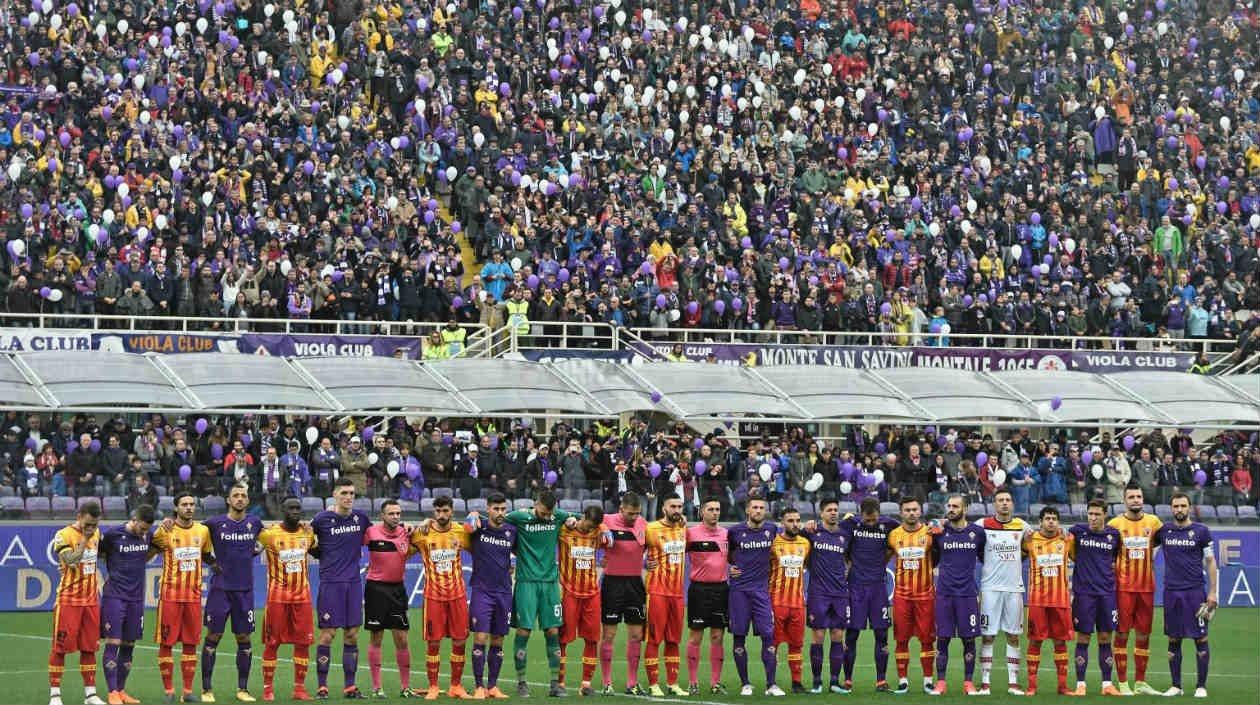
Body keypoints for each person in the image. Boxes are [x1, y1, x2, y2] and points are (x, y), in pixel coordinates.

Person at [495, 490, 575, 697]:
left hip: (549, 584)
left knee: (553, 632)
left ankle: (555, 684)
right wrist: (477, 516)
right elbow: (495, 521)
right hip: (526, 583)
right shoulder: (520, 516)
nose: (548, 516)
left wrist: (574, 519)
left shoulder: (558, 516)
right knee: (523, 632)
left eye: (550, 513)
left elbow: (580, 518)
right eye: (544, 512)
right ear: (535, 504)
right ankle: (521, 682)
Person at [310, 478, 372, 699]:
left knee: (352, 635)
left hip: (354, 583)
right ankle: (322, 686)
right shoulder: (322, 519)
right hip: (331, 584)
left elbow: (380, 535)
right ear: (335, 495)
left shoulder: (361, 519)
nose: (348, 497)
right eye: (344, 492)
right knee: (328, 635)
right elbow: (307, 539)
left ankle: (350, 687)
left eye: (352, 493)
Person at [202, 483, 264, 702]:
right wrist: (211, 560)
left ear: (247, 501)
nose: (239, 499)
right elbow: (193, 537)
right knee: (213, 636)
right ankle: (207, 690)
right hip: (220, 589)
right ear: (228, 500)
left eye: (243, 496)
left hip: (244, 590)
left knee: (244, 637)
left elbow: (264, 544)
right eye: (235, 495)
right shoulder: (214, 523)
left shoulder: (255, 523)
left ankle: (243, 690)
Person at [152, 492, 214, 703]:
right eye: (184, 504)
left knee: (190, 643)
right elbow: (149, 552)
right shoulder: (165, 530)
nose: (189, 507)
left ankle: (187, 692)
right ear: (176, 508)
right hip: (170, 595)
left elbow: (206, 555)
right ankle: (168, 691)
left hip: (193, 597)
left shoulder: (203, 531)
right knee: (166, 644)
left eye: (191, 504)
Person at [1155, 492, 1219, 698]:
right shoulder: (1164, 531)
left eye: (1183, 506)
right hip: (1171, 592)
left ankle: (1201, 686)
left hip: (1195, 593)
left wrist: (1213, 592)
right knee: (1173, 638)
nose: (1179, 509)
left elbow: (1210, 562)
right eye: (1176, 506)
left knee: (1200, 638)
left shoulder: (1201, 532)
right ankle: (1176, 685)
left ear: (1189, 507)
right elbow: (1146, 549)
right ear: (1171, 508)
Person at [410, 495, 473, 699]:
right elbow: (403, 547)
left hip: (458, 595)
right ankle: (434, 686)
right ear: (433, 512)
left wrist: (474, 516)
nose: (442, 515)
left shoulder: (461, 531)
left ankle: (456, 685)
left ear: (452, 511)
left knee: (460, 640)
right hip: (433, 596)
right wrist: (415, 525)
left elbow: (480, 546)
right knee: (434, 642)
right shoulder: (422, 533)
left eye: (445, 511)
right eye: (438, 511)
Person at [257, 497, 317, 702]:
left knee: (303, 643)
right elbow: (249, 548)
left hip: (303, 598)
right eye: (290, 508)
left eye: (298, 508)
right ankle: (267, 689)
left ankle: (299, 689)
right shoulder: (269, 535)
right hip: (277, 598)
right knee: (272, 643)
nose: (295, 511)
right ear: (282, 510)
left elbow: (321, 551)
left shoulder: (307, 534)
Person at [1107, 484, 1164, 695]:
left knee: (1144, 634)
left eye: (1139, 496)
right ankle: (1122, 682)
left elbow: (1161, 543)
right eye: (1131, 497)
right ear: (1124, 500)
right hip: (1123, 589)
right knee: (1122, 634)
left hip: (1147, 588)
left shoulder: (1154, 522)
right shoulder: (1114, 525)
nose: (1136, 500)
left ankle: (1140, 682)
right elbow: (1108, 557)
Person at [48, 501, 106, 705]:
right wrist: (85, 539)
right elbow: (71, 561)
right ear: (79, 516)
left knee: (89, 648)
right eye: (88, 524)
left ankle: (90, 694)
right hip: (68, 601)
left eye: (95, 525)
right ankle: (55, 695)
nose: (92, 528)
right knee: (60, 648)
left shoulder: (97, 533)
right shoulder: (63, 535)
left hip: (91, 601)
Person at [839, 497, 899, 691]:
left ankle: (881, 680)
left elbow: (902, 536)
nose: (872, 523)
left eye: (874, 520)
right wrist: (849, 563)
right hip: (855, 587)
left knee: (882, 634)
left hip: (878, 588)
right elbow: (835, 538)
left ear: (879, 514)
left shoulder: (889, 524)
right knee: (852, 634)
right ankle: (847, 680)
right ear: (860, 513)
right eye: (868, 520)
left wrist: (885, 559)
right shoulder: (850, 524)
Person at [99, 504, 155, 705]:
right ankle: (112, 691)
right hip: (115, 596)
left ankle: (122, 690)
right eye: (142, 528)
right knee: (113, 642)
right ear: (134, 519)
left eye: (147, 529)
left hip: (137, 598)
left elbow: (148, 553)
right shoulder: (113, 535)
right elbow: (100, 554)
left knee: (129, 645)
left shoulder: (147, 536)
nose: (144, 532)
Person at [727, 494, 782, 696]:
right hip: (739, 592)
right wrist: (730, 567)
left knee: (768, 636)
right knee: (739, 636)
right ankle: (745, 684)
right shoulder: (734, 532)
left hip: (761, 592)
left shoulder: (772, 530)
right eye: (755, 507)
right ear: (748, 510)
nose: (758, 511)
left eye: (762, 507)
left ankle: (771, 684)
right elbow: (726, 556)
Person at [930, 495, 985, 696]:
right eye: (949, 506)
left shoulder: (978, 533)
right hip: (944, 594)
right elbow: (932, 559)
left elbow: (984, 558)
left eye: (956, 506)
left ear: (965, 509)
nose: (951, 509)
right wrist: (933, 526)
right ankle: (941, 682)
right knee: (942, 638)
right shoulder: (939, 531)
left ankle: (968, 683)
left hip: (968, 595)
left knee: (969, 639)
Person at [363, 500, 418, 698]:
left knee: (402, 639)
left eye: (398, 513)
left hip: (397, 590)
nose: (396, 516)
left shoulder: (407, 533)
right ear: (382, 516)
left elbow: (427, 530)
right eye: (391, 513)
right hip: (376, 589)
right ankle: (377, 687)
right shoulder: (370, 533)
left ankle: (405, 687)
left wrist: (424, 521)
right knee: (376, 637)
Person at [1068, 500, 1123, 696]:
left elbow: (1115, 560)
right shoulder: (1077, 531)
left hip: (1107, 594)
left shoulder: (1114, 535)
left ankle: (1106, 684)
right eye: (1090, 513)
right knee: (1083, 637)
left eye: (1097, 514)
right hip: (1084, 595)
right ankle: (1080, 685)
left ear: (1105, 515)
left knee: (1105, 637)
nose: (1092, 518)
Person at [465, 493, 517, 699]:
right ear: (488, 509)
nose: (500, 513)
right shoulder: (479, 527)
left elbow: (519, 552)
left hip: (504, 591)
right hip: (482, 590)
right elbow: (464, 528)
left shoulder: (512, 531)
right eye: (496, 509)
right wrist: (472, 514)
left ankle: (493, 686)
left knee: (498, 639)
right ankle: (479, 686)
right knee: (480, 636)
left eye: (503, 509)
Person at [977, 488, 1028, 695]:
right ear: (994, 504)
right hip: (990, 589)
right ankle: (985, 683)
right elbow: (975, 547)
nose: (1004, 503)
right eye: (1000, 500)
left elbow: (1027, 550)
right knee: (987, 636)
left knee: (1013, 636)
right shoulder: (982, 525)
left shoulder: (1022, 526)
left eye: (1007, 500)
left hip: (1014, 589)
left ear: (1012, 504)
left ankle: (1013, 683)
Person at [598, 491, 648, 695]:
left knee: (636, 635)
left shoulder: (643, 524)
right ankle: (607, 682)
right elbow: (586, 520)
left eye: (636, 513)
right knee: (609, 634)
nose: (633, 517)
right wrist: (601, 527)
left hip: (635, 584)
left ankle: (632, 683)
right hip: (612, 583)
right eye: (629, 514)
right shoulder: (606, 520)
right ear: (621, 509)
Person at [1022, 506, 1075, 696]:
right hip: (1037, 601)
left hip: (1060, 601)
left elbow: (1078, 558)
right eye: (1047, 518)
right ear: (1040, 522)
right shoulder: (1029, 541)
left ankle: (1062, 687)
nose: (1051, 521)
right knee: (1035, 642)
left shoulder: (1067, 540)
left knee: (1060, 642)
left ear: (1058, 522)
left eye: (1054, 518)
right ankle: (1031, 687)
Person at [887, 496, 937, 695]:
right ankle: (903, 680)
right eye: (907, 510)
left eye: (915, 509)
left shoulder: (930, 533)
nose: (911, 513)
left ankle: (927, 681)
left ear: (920, 511)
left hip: (925, 596)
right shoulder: (893, 535)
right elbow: (883, 557)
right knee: (901, 639)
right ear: (901, 512)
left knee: (927, 639)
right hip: (902, 596)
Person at [802, 497, 850, 694]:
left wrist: (845, 572)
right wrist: (806, 526)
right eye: (829, 509)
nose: (833, 512)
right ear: (821, 513)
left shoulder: (845, 536)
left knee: (838, 636)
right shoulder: (812, 533)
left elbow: (850, 559)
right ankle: (816, 681)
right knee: (819, 636)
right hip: (818, 593)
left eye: (835, 509)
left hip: (839, 593)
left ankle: (834, 681)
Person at [557, 505, 606, 696]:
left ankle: (586, 684)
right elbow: (552, 515)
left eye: (593, 525)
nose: (589, 528)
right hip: (569, 592)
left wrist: (605, 529)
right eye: (588, 523)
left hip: (592, 593)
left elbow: (612, 523)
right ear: (582, 516)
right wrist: (569, 518)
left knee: (592, 639)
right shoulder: (564, 531)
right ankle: (559, 683)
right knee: (563, 639)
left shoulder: (597, 532)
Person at [643, 494, 689, 697]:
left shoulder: (683, 528)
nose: (677, 510)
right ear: (663, 508)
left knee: (674, 640)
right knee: (654, 639)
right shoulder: (651, 528)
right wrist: (643, 563)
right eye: (673, 506)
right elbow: (634, 550)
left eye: (679, 506)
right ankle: (653, 684)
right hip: (657, 592)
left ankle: (673, 683)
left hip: (677, 594)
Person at [684, 497, 729, 695]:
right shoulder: (690, 534)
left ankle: (715, 683)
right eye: (710, 509)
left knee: (718, 636)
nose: (715, 513)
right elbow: (673, 552)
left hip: (721, 590)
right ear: (702, 512)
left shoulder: (727, 534)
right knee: (695, 637)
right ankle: (693, 682)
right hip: (699, 590)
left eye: (718, 509)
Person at [768, 506, 810, 693]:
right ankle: (772, 682)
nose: (795, 524)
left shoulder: (805, 544)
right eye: (790, 521)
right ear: (782, 523)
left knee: (796, 645)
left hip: (798, 604)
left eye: (797, 520)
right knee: (773, 644)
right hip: (776, 603)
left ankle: (796, 683)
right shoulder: (773, 543)